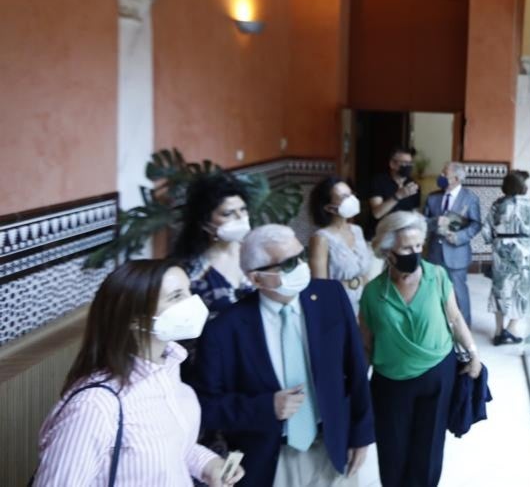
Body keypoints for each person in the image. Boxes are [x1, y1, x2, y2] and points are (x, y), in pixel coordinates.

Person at [33, 259, 242, 486]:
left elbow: (170, 446)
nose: (192, 303)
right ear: (135, 319)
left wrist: (207, 464)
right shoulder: (95, 406)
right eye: (176, 296)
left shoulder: (170, 370)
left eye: (188, 291)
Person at [193, 225, 374, 487]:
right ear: (256, 279)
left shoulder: (330, 296)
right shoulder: (225, 330)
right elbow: (206, 407)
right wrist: (265, 407)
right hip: (272, 459)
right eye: (287, 264)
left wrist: (361, 434)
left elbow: (356, 367)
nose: (301, 267)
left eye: (300, 257)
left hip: (331, 445)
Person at [360, 211, 482, 487]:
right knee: (393, 452)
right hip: (390, 382)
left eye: (418, 246)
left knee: (428, 451)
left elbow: (455, 317)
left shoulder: (436, 276)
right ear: (387, 249)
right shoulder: (372, 293)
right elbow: (365, 345)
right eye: (406, 247)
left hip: (437, 376)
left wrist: (473, 352)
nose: (414, 253)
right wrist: (356, 389)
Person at [171, 173, 254, 319]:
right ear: (205, 222)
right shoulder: (191, 268)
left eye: (243, 209)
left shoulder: (257, 251)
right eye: (228, 213)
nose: (241, 217)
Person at [482, 170, 530, 345]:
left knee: (499, 292)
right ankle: (511, 328)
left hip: (501, 254)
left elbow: (486, 233)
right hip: (522, 254)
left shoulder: (497, 204)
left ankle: (499, 331)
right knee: (519, 291)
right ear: (521, 187)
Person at [424, 161, 481, 326]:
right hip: (434, 253)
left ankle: (464, 330)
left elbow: (476, 224)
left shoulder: (470, 198)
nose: (440, 177)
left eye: (444, 174)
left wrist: (459, 237)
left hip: (457, 254)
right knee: (433, 292)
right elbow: (423, 221)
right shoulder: (433, 197)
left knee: (459, 293)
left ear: (455, 178)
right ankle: (437, 327)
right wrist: (435, 221)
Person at [308, 176, 373, 314]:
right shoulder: (321, 239)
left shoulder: (357, 230)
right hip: (339, 305)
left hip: (365, 303)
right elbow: (321, 287)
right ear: (330, 208)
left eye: (351, 194)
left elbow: (365, 275)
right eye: (344, 197)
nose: (352, 199)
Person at [369, 147, 422, 224]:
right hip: (381, 229)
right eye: (405, 162)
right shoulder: (378, 181)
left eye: (410, 163)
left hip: (404, 230)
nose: (408, 166)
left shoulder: (414, 185)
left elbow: (415, 213)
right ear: (392, 164)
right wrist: (398, 196)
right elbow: (377, 214)